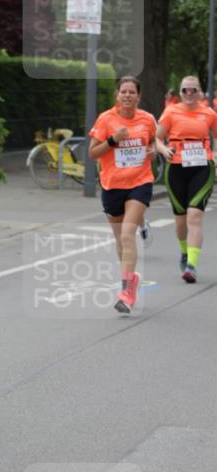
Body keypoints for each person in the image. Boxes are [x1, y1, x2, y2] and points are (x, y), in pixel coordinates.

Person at [88, 76, 158, 314]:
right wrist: (112, 139)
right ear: (117, 95)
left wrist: (152, 151)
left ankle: (126, 291)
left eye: (132, 92)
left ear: (138, 96)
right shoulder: (106, 119)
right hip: (112, 185)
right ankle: (130, 278)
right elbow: (93, 153)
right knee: (120, 239)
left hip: (140, 182)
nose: (127, 95)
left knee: (128, 234)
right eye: (123, 92)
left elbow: (153, 144)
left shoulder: (147, 119)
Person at [156, 75, 217, 282]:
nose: (189, 94)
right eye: (185, 90)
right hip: (176, 168)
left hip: (202, 167)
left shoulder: (208, 113)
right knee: (181, 218)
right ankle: (184, 252)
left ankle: (191, 264)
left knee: (194, 215)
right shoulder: (171, 111)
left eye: (193, 90)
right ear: (180, 93)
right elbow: (156, 138)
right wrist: (164, 149)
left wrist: (215, 155)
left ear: (200, 92)